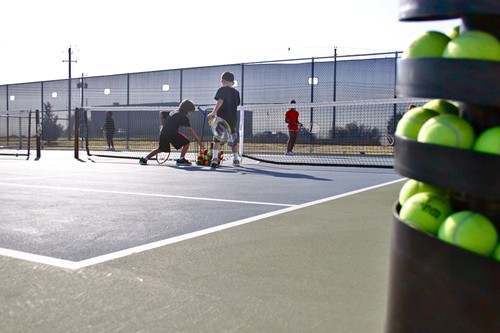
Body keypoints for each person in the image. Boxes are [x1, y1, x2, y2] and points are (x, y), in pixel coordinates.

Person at [139, 99, 204, 166]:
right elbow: (190, 130)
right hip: (171, 133)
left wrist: (161, 125)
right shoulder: (183, 117)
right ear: (187, 109)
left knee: (161, 149)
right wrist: (199, 142)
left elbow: (161, 113)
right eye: (190, 111)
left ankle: (144, 159)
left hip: (163, 133)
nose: (190, 113)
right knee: (187, 142)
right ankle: (181, 159)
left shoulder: (173, 112)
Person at [208, 71, 241, 168]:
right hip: (232, 120)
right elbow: (237, 104)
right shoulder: (236, 92)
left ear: (222, 80)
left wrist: (214, 112)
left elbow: (220, 101)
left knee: (217, 139)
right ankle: (236, 160)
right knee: (233, 141)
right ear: (232, 82)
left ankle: (214, 159)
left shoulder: (222, 90)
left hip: (222, 120)